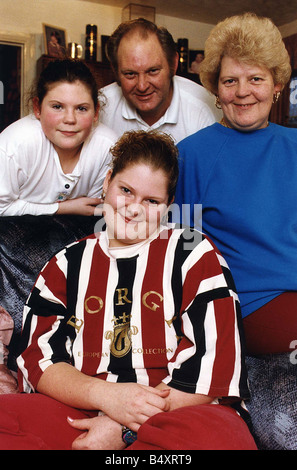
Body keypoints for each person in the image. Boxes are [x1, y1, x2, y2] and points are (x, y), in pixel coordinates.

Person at [0, 130, 256, 450]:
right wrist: (107, 397)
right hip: (80, 410)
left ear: (168, 206)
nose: (134, 209)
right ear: (107, 182)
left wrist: (124, 425)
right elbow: (41, 361)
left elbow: (212, 366)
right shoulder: (65, 264)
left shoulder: (194, 254)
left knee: (218, 440)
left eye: (151, 201)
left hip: (179, 412)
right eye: (126, 190)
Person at [173, 12, 296, 356]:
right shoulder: (190, 156)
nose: (243, 92)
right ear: (215, 88)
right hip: (252, 302)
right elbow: (183, 248)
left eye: (255, 78)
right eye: (230, 81)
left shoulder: (295, 145)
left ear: (276, 85)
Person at [0, 59, 116, 216]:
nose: (69, 119)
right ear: (37, 108)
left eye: (81, 108)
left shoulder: (107, 146)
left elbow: (96, 209)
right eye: (57, 107)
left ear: (96, 112)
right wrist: (62, 208)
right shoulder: (16, 144)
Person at [99, 18, 221, 143]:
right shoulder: (100, 106)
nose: (142, 86)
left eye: (153, 71)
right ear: (115, 71)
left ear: (173, 64)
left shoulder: (203, 109)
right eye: (130, 74)